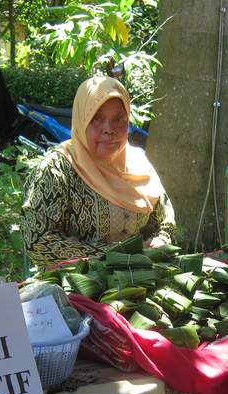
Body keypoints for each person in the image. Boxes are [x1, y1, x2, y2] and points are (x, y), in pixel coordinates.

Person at [21, 75, 176, 268]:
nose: (109, 129)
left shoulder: (139, 164)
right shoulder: (56, 170)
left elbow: (165, 222)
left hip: (137, 282)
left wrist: (160, 242)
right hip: (73, 288)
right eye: (97, 119)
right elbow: (38, 242)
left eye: (119, 119)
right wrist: (116, 255)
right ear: (81, 120)